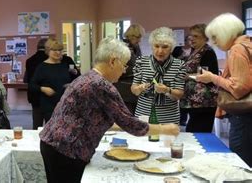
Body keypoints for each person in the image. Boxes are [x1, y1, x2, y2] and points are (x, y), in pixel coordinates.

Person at [39, 38, 180, 182]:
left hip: (54, 144)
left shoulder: (88, 77)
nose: (125, 70)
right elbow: (131, 124)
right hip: (66, 149)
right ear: (113, 61)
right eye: (124, 65)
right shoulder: (101, 85)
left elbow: (92, 118)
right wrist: (165, 129)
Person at [196, 13, 252, 167]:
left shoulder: (237, 50)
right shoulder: (248, 43)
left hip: (244, 115)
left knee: (242, 162)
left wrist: (213, 78)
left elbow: (240, 87)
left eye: (215, 37)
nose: (214, 42)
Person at [131, 27, 187, 124]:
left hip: (169, 116)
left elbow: (179, 94)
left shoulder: (179, 65)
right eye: (156, 46)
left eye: (165, 47)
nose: (160, 51)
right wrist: (138, 89)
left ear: (172, 48)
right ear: (151, 46)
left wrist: (167, 90)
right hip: (143, 114)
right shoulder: (141, 62)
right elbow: (134, 88)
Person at [180, 24, 219, 132]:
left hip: (204, 102)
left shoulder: (207, 52)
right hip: (193, 102)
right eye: (190, 36)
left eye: (196, 36)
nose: (191, 39)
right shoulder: (193, 51)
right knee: (192, 131)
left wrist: (187, 76)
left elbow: (206, 75)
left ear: (205, 38)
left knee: (198, 133)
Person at [29, 39, 79, 122]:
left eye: (60, 50)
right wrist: (43, 89)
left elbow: (76, 77)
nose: (58, 52)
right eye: (54, 50)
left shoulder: (65, 65)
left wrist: (71, 84)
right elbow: (32, 85)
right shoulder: (42, 67)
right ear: (48, 51)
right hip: (49, 106)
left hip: (66, 104)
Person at [113, 24, 145, 114]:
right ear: (130, 36)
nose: (139, 40)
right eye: (137, 37)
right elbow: (116, 68)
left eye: (140, 37)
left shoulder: (136, 47)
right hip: (123, 87)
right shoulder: (121, 48)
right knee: (127, 116)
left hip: (134, 88)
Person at [24, 38, 48, 129]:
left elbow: (28, 78)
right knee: (49, 123)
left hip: (34, 94)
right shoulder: (49, 59)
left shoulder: (29, 60)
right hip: (48, 96)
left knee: (37, 123)